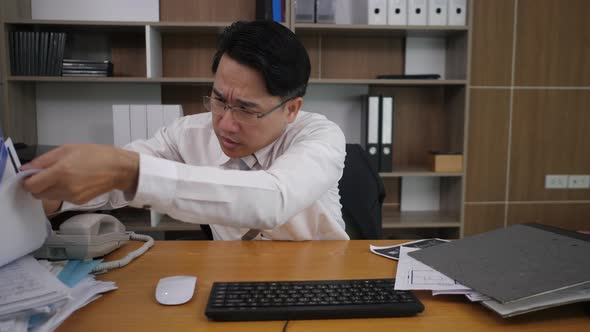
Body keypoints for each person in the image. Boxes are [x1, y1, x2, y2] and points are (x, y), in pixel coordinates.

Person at [22, 20, 349, 241]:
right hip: (233, 281)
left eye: (247, 109)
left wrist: (127, 170)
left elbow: (272, 200)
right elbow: (113, 177)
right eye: (219, 100)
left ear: (291, 109)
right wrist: (51, 195)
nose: (224, 123)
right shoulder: (187, 134)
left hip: (318, 275)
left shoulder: (321, 138)